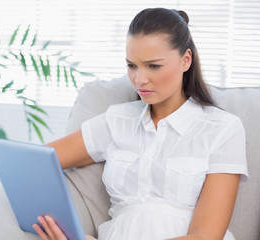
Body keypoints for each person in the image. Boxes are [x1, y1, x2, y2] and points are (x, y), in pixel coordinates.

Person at [33, 8, 248, 240]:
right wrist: (70, 231)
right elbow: (33, 162)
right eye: (132, 65)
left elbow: (205, 236)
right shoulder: (117, 121)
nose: (139, 79)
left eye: (153, 66)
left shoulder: (222, 128)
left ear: (186, 60)